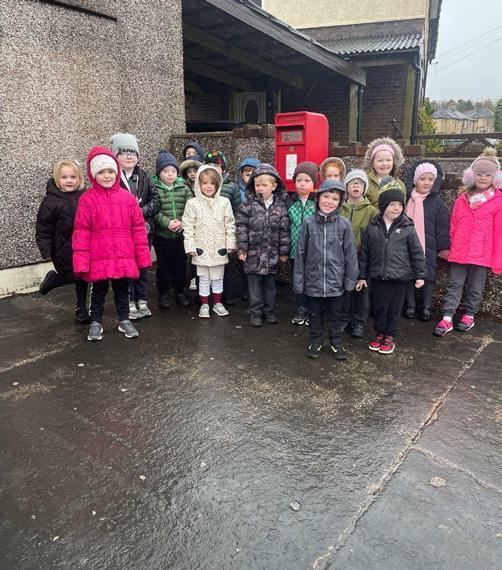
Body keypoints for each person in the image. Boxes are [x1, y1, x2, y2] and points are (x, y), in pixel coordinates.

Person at [73, 147, 151, 341]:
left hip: (123, 255)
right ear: (93, 175)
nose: (106, 176)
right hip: (98, 256)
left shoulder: (127, 199)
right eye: (101, 172)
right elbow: (81, 232)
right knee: (98, 291)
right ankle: (96, 322)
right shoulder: (87, 200)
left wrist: (142, 256)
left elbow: (138, 229)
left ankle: (124, 319)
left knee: (123, 290)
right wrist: (81, 261)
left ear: (116, 172)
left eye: (110, 171)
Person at [433, 150, 502, 336]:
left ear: (495, 178)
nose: (483, 178)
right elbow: (453, 225)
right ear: (472, 176)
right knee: (454, 284)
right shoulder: (462, 199)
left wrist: (497, 260)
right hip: (460, 251)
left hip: (482, 253)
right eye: (479, 174)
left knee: (476, 287)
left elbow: (499, 233)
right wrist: (448, 247)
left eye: (488, 175)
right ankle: (447, 316)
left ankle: (469, 314)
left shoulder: (498, 201)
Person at [294, 179, 358, 360]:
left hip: (336, 282)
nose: (329, 201)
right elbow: (300, 254)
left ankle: (336, 342)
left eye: (334, 199)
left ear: (340, 202)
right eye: (326, 197)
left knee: (336, 315)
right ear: (318, 198)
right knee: (315, 314)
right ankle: (315, 340)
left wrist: (350, 280)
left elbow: (350, 255)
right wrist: (299, 281)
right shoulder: (308, 224)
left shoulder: (344, 225)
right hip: (313, 281)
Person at [357, 189, 425, 354]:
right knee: (380, 307)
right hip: (378, 276)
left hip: (399, 277)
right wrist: (362, 276)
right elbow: (365, 254)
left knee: (394, 308)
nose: (396, 208)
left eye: (399, 205)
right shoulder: (372, 227)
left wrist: (420, 275)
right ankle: (379, 332)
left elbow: (417, 253)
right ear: (383, 206)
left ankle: (390, 335)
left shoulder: (407, 227)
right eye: (392, 204)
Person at [110, 133, 160, 320]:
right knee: (127, 268)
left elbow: (156, 201)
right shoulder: (112, 178)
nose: (130, 156)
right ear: (116, 156)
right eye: (124, 152)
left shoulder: (144, 177)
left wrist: (142, 211)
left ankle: (142, 300)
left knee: (143, 267)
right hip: (123, 233)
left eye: (133, 152)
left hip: (143, 232)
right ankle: (129, 301)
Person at [236, 164, 290, 327]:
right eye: (257, 185)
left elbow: (284, 230)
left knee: (270, 287)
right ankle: (255, 312)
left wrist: (283, 252)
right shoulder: (248, 205)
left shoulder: (280, 206)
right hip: (253, 255)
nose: (260, 188)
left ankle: (269, 311)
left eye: (264, 185)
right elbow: (241, 228)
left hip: (272, 255)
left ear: (274, 186)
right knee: (254, 287)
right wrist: (242, 249)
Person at [36, 159, 89, 322]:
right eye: (64, 177)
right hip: (62, 249)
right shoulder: (50, 202)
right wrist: (46, 251)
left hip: (83, 246)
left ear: (79, 179)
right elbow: (44, 228)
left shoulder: (85, 197)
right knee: (69, 275)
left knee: (82, 276)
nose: (69, 180)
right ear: (57, 179)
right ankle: (54, 280)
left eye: (73, 177)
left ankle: (81, 307)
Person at [182, 165, 236, 318]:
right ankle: (204, 304)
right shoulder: (193, 203)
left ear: (218, 184)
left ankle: (218, 303)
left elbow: (230, 224)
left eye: (212, 183)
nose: (208, 186)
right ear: (198, 184)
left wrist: (230, 243)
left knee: (218, 277)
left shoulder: (224, 202)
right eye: (204, 183)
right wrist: (190, 246)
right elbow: (188, 226)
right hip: (201, 248)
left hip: (219, 247)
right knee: (204, 278)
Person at [404, 160, 450, 321]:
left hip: (429, 246)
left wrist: (443, 247)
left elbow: (442, 227)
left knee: (428, 276)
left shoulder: (437, 202)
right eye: (423, 179)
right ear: (415, 180)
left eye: (430, 179)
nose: (426, 182)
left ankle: (426, 307)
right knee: (408, 274)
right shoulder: (407, 200)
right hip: (408, 244)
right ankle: (410, 305)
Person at [151, 150, 192, 308]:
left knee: (180, 265)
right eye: (165, 171)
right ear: (159, 173)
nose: (170, 174)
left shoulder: (184, 187)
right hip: (162, 235)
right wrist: (167, 223)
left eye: (173, 171)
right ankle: (164, 293)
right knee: (163, 266)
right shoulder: (154, 189)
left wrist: (182, 222)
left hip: (180, 235)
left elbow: (191, 207)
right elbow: (154, 211)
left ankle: (180, 291)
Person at [340, 169, 378, 338]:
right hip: (342, 257)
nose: (356, 185)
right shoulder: (340, 209)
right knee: (345, 291)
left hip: (362, 257)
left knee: (362, 292)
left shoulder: (371, 211)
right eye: (352, 183)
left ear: (364, 188)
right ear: (346, 187)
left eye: (360, 183)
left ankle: (359, 322)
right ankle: (344, 319)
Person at [204, 150, 241, 304]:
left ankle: (226, 295)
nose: (213, 168)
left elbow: (237, 210)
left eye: (217, 165)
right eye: (209, 165)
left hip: (224, 232)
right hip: (205, 233)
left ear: (223, 168)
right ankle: (204, 297)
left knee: (225, 265)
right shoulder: (202, 185)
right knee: (205, 268)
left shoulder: (231, 187)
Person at [288, 161, 319, 325]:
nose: (302, 184)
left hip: (313, 251)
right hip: (294, 251)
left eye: (307, 180)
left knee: (312, 281)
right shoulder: (290, 201)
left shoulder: (318, 202)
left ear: (314, 182)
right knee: (298, 281)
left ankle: (313, 310)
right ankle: (301, 308)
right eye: (299, 180)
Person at [237, 157, 260, 299]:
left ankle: (257, 290)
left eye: (252, 172)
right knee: (243, 262)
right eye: (246, 173)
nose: (249, 176)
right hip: (243, 231)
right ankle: (246, 289)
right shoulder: (238, 190)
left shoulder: (260, 190)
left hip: (258, 231)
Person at [363, 137, 406, 207]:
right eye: (380, 160)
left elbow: (403, 207)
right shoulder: (366, 182)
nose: (384, 164)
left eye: (388, 160)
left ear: (394, 162)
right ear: (372, 163)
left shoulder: (400, 184)